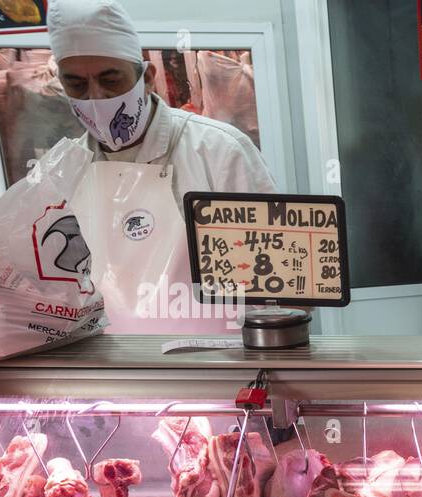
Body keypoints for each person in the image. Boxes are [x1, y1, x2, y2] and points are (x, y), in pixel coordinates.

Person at [43, 0, 277, 332]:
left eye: (111, 81)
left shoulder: (219, 151)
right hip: (111, 370)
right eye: (77, 85)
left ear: (147, 77)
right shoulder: (63, 170)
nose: (96, 98)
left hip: (215, 367)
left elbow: (272, 280)